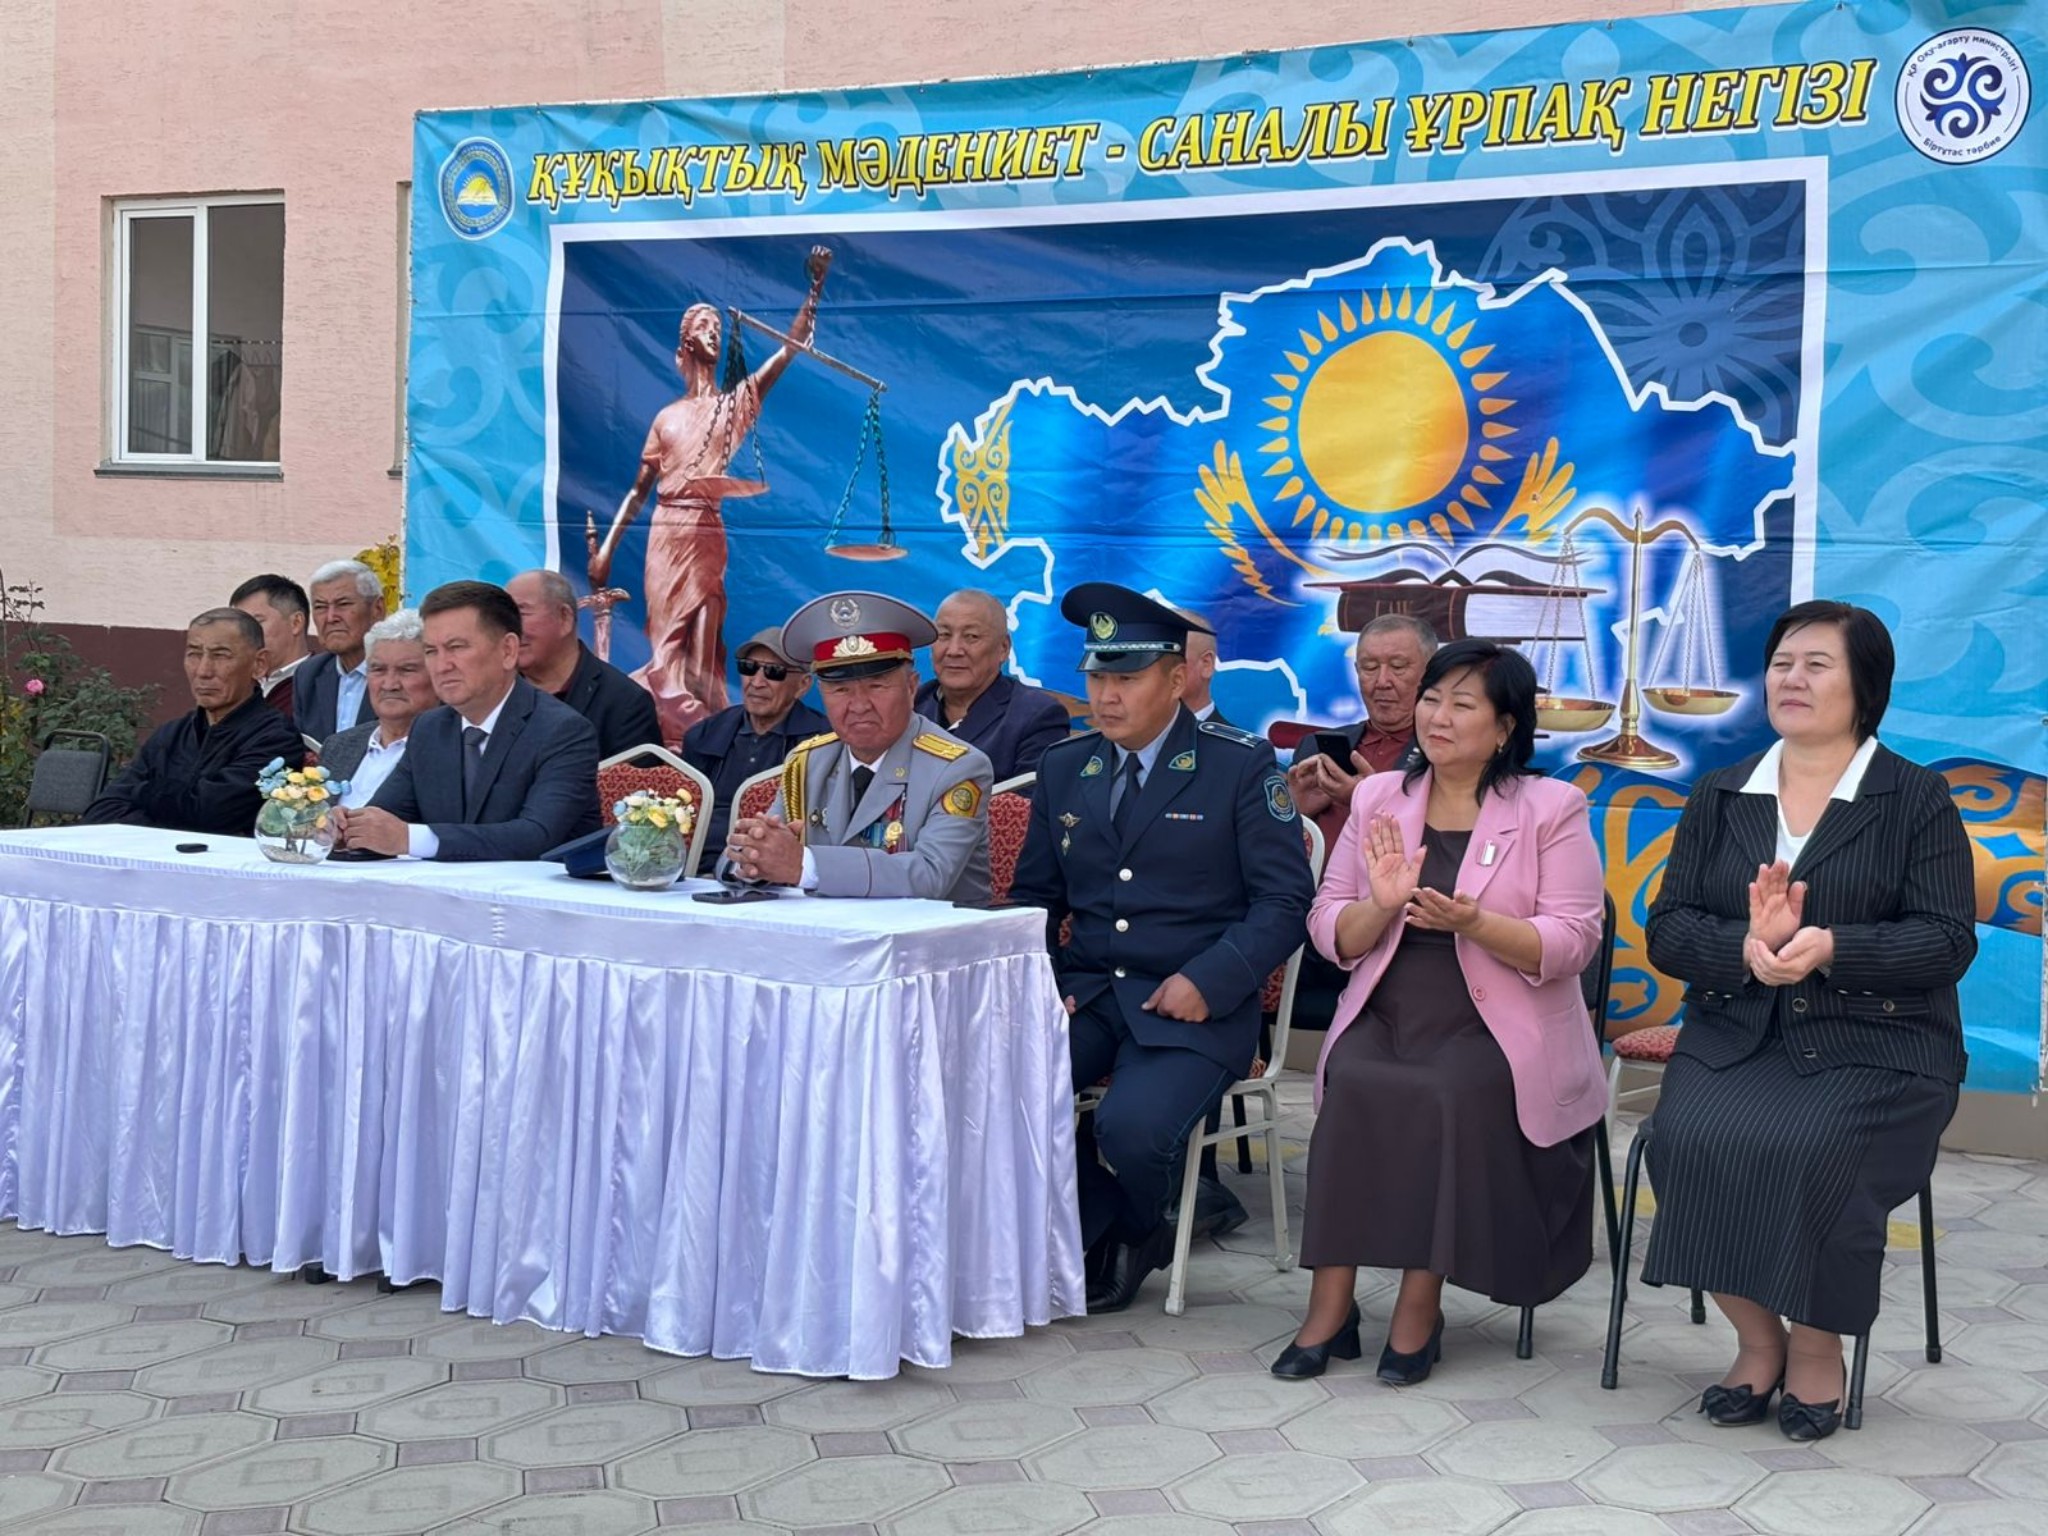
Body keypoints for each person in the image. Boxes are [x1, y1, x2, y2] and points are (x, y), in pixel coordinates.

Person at [1638, 601, 1974, 1442]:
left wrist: (1831, 946)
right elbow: (1669, 927)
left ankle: (1819, 1348)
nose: (1792, 677)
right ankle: (1760, 1341)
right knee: (1685, 1139)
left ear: (1866, 687)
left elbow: (1946, 940)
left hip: (1880, 1043)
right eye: (1783, 662)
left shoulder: (1915, 797)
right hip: (1738, 1033)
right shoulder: (1723, 792)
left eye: (1817, 664)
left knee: (1817, 1149)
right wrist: (1745, 947)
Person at [1272, 639, 1606, 1384]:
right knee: (1355, 1078)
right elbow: (1328, 927)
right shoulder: (1379, 798)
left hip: (1499, 1020)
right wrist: (1380, 905)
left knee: (1443, 1090)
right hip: (1389, 1005)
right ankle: (1330, 1307)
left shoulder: (1552, 807)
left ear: (1505, 727)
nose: (1437, 717)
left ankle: (1419, 1306)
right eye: (1432, 699)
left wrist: (1475, 924)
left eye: (1462, 704)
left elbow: (1574, 941)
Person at [1009, 584, 1313, 1313]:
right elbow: (1034, 898)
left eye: (1127, 678)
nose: (1105, 696)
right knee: (995, 1089)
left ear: (1177, 681)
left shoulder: (1239, 765)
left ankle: (1138, 1228)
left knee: (1132, 1128)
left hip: (1194, 1002)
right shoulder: (1066, 766)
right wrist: (1041, 983)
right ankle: (1108, 1222)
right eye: (1096, 677)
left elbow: (1284, 903)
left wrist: (1212, 980)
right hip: (1089, 993)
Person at [587, 246, 833, 745]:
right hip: (666, 533)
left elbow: (790, 348)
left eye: (719, 327)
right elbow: (638, 490)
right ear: (686, 341)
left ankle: (702, 734)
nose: (715, 332)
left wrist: (814, 288)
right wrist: (608, 549)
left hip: (705, 529)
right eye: (705, 326)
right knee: (665, 641)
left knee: (703, 639)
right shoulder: (666, 418)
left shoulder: (734, 406)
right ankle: (665, 729)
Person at [721, 592, 992, 903]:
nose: (859, 705)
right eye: (840, 689)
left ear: (911, 687)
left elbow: (929, 875)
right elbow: (739, 861)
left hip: (929, 933)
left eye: (877, 686)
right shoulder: (808, 762)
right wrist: (753, 857)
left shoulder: (957, 767)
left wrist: (803, 865)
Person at [332, 581, 600, 861]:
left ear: (508, 651)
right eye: (431, 651)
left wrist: (410, 838)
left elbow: (536, 835)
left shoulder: (563, 731)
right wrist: (348, 827)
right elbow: (386, 815)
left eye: (456, 647)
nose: (442, 665)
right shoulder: (429, 728)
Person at [83, 608, 306, 835]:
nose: (203, 671)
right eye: (194, 654)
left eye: (220, 655)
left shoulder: (275, 738)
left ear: (259, 664)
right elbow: (101, 811)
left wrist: (142, 792)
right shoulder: (171, 735)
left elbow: (210, 816)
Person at [1287, 614, 1438, 851]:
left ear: (1430, 672)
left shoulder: (1444, 752)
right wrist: (1293, 811)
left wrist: (1363, 800)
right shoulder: (1314, 747)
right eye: (1370, 667)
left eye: (1398, 667)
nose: (1382, 681)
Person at [682, 627, 827, 865]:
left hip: (775, 871)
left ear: (803, 685)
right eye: (749, 668)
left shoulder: (823, 744)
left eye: (774, 672)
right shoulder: (705, 734)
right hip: (697, 866)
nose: (757, 682)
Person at [914, 589, 1071, 782]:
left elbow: (1031, 797)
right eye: (944, 635)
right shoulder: (911, 705)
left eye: (971, 637)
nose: (954, 650)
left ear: (1003, 648)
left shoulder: (1036, 716)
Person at [507, 568, 662, 757]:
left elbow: (636, 776)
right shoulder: (493, 692)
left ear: (565, 618)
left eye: (520, 613)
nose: (509, 628)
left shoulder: (625, 704)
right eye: (504, 617)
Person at [318, 610, 437, 809]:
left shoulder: (454, 749)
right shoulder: (339, 746)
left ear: (437, 674)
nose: (390, 684)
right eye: (378, 670)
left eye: (406, 670)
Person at [295, 560, 388, 742]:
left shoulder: (403, 672)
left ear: (377, 609)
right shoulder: (309, 674)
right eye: (320, 607)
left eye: (343, 604)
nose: (331, 618)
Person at [231, 573, 311, 721]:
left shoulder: (319, 684)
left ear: (296, 623)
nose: (243, 634)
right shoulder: (240, 684)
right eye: (239, 626)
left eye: (256, 622)